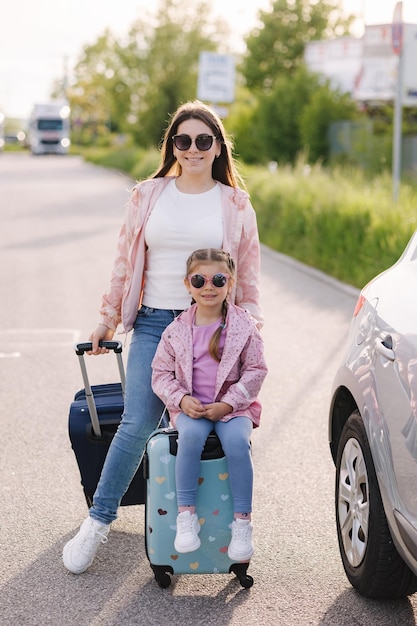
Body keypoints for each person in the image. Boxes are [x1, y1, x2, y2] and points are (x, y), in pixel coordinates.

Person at [62, 100, 263, 575]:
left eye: (203, 141)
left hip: (214, 326)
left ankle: (217, 525)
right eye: (183, 140)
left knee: (218, 425)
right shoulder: (148, 195)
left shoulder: (234, 203)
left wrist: (249, 328)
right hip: (155, 323)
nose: (192, 149)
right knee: (138, 423)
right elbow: (125, 261)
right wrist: (108, 318)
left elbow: (249, 273)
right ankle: (97, 522)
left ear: (217, 147)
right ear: (172, 146)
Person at [151, 248, 267, 561]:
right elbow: (160, 374)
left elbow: (256, 371)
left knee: (237, 443)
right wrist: (181, 399)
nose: (209, 286)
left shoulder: (244, 328)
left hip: (233, 409)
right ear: (187, 284)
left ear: (230, 284)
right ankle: (186, 516)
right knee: (190, 437)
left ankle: (242, 521)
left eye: (218, 279)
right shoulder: (175, 331)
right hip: (193, 408)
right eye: (199, 280)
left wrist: (229, 404)